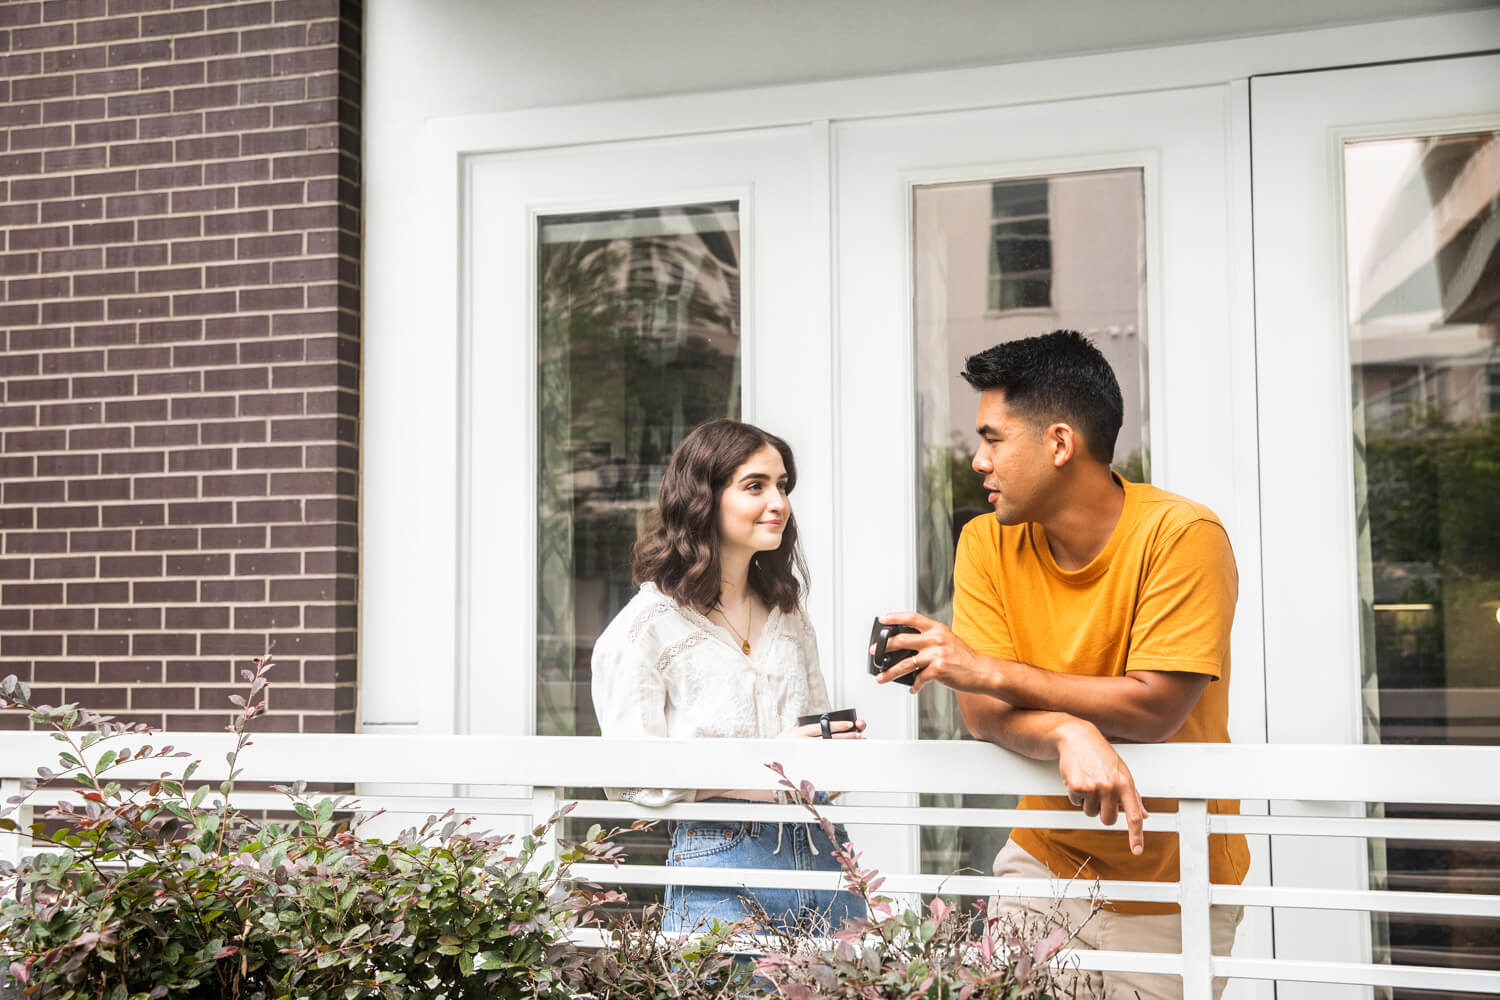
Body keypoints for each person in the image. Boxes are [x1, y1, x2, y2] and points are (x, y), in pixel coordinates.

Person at [873, 331, 1249, 1000]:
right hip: (1040, 863)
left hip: (1173, 885)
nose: (977, 459)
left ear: (1058, 443)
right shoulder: (986, 540)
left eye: (993, 438)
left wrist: (990, 669)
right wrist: (1067, 732)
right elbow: (984, 715)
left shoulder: (1183, 536)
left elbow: (1155, 707)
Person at [591, 418, 867, 934]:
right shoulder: (644, 628)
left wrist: (829, 748)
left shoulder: (789, 616)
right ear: (703, 498)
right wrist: (762, 766)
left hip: (823, 846)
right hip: (721, 856)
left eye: (782, 485)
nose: (779, 502)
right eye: (755, 486)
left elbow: (808, 744)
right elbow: (630, 778)